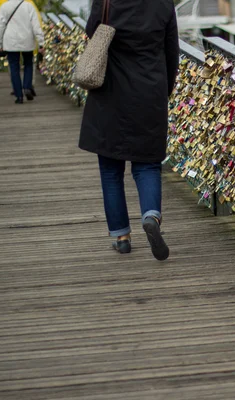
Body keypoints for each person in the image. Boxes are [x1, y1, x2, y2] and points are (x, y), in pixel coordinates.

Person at [79, 0, 179, 260]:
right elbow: (172, 52)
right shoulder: (163, 4)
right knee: (147, 165)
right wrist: (162, 92)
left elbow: (93, 33)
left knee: (110, 168)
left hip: (109, 92)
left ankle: (121, 237)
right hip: (149, 90)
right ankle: (151, 217)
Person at [0, 0, 44, 104]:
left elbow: (0, 26)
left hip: (10, 42)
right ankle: (27, 86)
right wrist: (41, 42)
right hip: (27, 40)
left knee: (14, 68)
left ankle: (19, 96)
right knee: (28, 64)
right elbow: (36, 25)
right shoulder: (29, 6)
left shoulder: (4, 7)